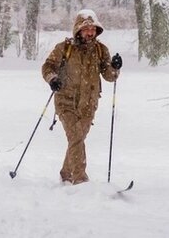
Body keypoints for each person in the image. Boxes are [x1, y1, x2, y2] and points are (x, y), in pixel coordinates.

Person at [41, 9, 122, 185]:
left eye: (93, 29)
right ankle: (80, 179)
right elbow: (48, 66)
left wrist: (115, 68)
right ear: (78, 29)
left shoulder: (100, 50)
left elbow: (109, 76)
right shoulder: (65, 48)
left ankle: (66, 173)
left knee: (76, 139)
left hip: (89, 105)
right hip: (66, 102)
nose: (90, 32)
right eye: (86, 29)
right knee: (76, 137)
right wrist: (52, 79)